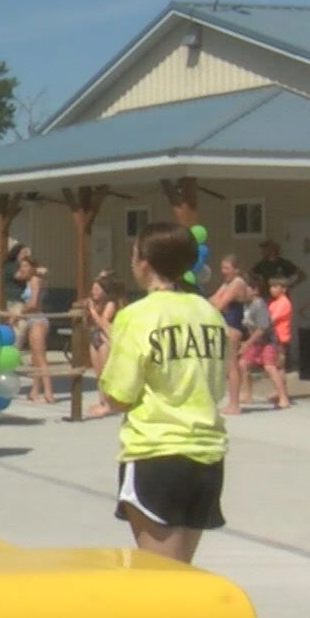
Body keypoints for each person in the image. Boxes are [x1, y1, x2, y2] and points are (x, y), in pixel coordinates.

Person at [98, 222, 229, 564]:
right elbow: (216, 386)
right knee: (181, 570)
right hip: (207, 455)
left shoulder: (136, 316)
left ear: (143, 262)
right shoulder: (209, 313)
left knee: (161, 575)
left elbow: (118, 396)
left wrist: (104, 364)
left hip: (156, 453)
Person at [6, 244, 56, 404]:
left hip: (37, 319)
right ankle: (35, 391)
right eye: (22, 265)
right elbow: (17, 275)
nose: (23, 268)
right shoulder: (31, 280)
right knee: (35, 357)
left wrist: (19, 313)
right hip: (31, 319)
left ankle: (48, 392)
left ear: (32, 267)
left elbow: (33, 303)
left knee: (40, 357)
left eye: (26, 265)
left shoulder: (34, 281)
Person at [209, 255, 251, 413]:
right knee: (229, 366)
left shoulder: (237, 283)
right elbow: (212, 299)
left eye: (227, 268)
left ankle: (234, 405)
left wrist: (217, 302)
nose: (223, 271)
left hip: (233, 326)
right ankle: (234, 401)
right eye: (222, 268)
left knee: (231, 365)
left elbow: (219, 304)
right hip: (225, 324)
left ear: (236, 269)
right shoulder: (227, 283)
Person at [228, 275, 271, 414]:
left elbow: (262, 328)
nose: (240, 293)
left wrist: (247, 343)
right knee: (242, 364)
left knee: (273, 368)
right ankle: (247, 394)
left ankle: (282, 396)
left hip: (267, 342)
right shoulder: (246, 304)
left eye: (243, 289)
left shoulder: (259, 304)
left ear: (255, 290)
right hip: (254, 342)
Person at [85, 272, 125, 418]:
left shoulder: (111, 303)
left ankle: (109, 403)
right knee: (98, 374)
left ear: (105, 291)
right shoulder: (97, 303)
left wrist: (92, 311)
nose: (93, 292)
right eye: (93, 289)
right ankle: (102, 401)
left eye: (97, 289)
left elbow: (103, 322)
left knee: (107, 374)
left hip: (105, 339)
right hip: (95, 337)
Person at [264, 277, 295, 408]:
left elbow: (271, 319)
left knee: (277, 367)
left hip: (279, 338)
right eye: (271, 287)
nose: (272, 289)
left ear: (283, 289)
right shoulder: (274, 302)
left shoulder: (284, 302)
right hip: (273, 337)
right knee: (278, 366)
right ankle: (280, 392)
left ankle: (282, 394)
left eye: (275, 287)